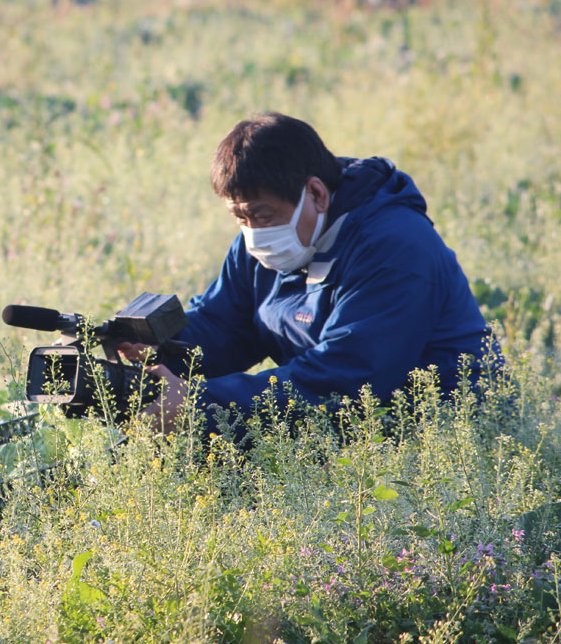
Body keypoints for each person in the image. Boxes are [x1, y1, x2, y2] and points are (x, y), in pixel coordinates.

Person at [121, 112, 499, 432]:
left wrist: (197, 406)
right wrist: (150, 349)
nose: (253, 231)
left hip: (447, 438)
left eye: (261, 214)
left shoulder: (396, 245)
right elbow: (224, 327)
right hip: (346, 424)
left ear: (316, 194)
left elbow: (348, 380)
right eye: (240, 217)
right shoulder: (267, 241)